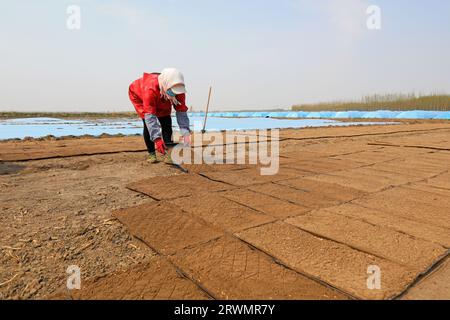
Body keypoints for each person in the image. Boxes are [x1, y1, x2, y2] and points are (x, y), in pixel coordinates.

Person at [128, 68, 191, 163]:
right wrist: (157, 139)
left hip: (162, 94)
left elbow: (181, 111)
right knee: (147, 123)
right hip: (139, 95)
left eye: (176, 92)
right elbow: (150, 117)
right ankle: (152, 154)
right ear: (165, 85)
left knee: (166, 121)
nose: (175, 93)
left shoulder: (179, 91)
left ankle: (169, 154)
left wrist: (185, 133)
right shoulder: (150, 89)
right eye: (172, 91)